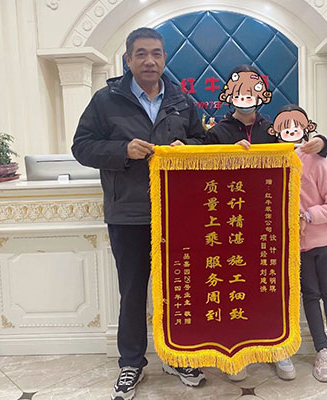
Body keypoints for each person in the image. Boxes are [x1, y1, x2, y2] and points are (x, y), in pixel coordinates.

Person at [71, 28, 206, 400]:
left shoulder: (181, 100)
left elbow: (202, 141)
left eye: (157, 53)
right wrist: (122, 150)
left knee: (177, 289)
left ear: (165, 58)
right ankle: (131, 363)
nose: (150, 61)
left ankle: (178, 355)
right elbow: (82, 147)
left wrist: (185, 147)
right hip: (128, 212)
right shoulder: (106, 100)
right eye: (141, 54)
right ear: (128, 59)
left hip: (177, 213)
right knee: (132, 292)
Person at [204, 66, 327, 382]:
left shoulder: (274, 129)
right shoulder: (217, 133)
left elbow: (307, 146)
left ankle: (278, 348)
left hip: (273, 221)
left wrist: (322, 142)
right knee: (236, 287)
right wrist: (226, 154)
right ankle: (238, 353)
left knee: (273, 287)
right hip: (231, 224)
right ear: (228, 93)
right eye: (240, 90)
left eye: (253, 89)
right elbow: (199, 166)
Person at [272, 105, 327, 383]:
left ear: (307, 128)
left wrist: (308, 216)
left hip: (324, 243)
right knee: (310, 296)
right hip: (297, 247)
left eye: (296, 126)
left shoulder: (316, 161)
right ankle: (322, 350)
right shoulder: (274, 160)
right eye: (284, 127)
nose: (290, 131)